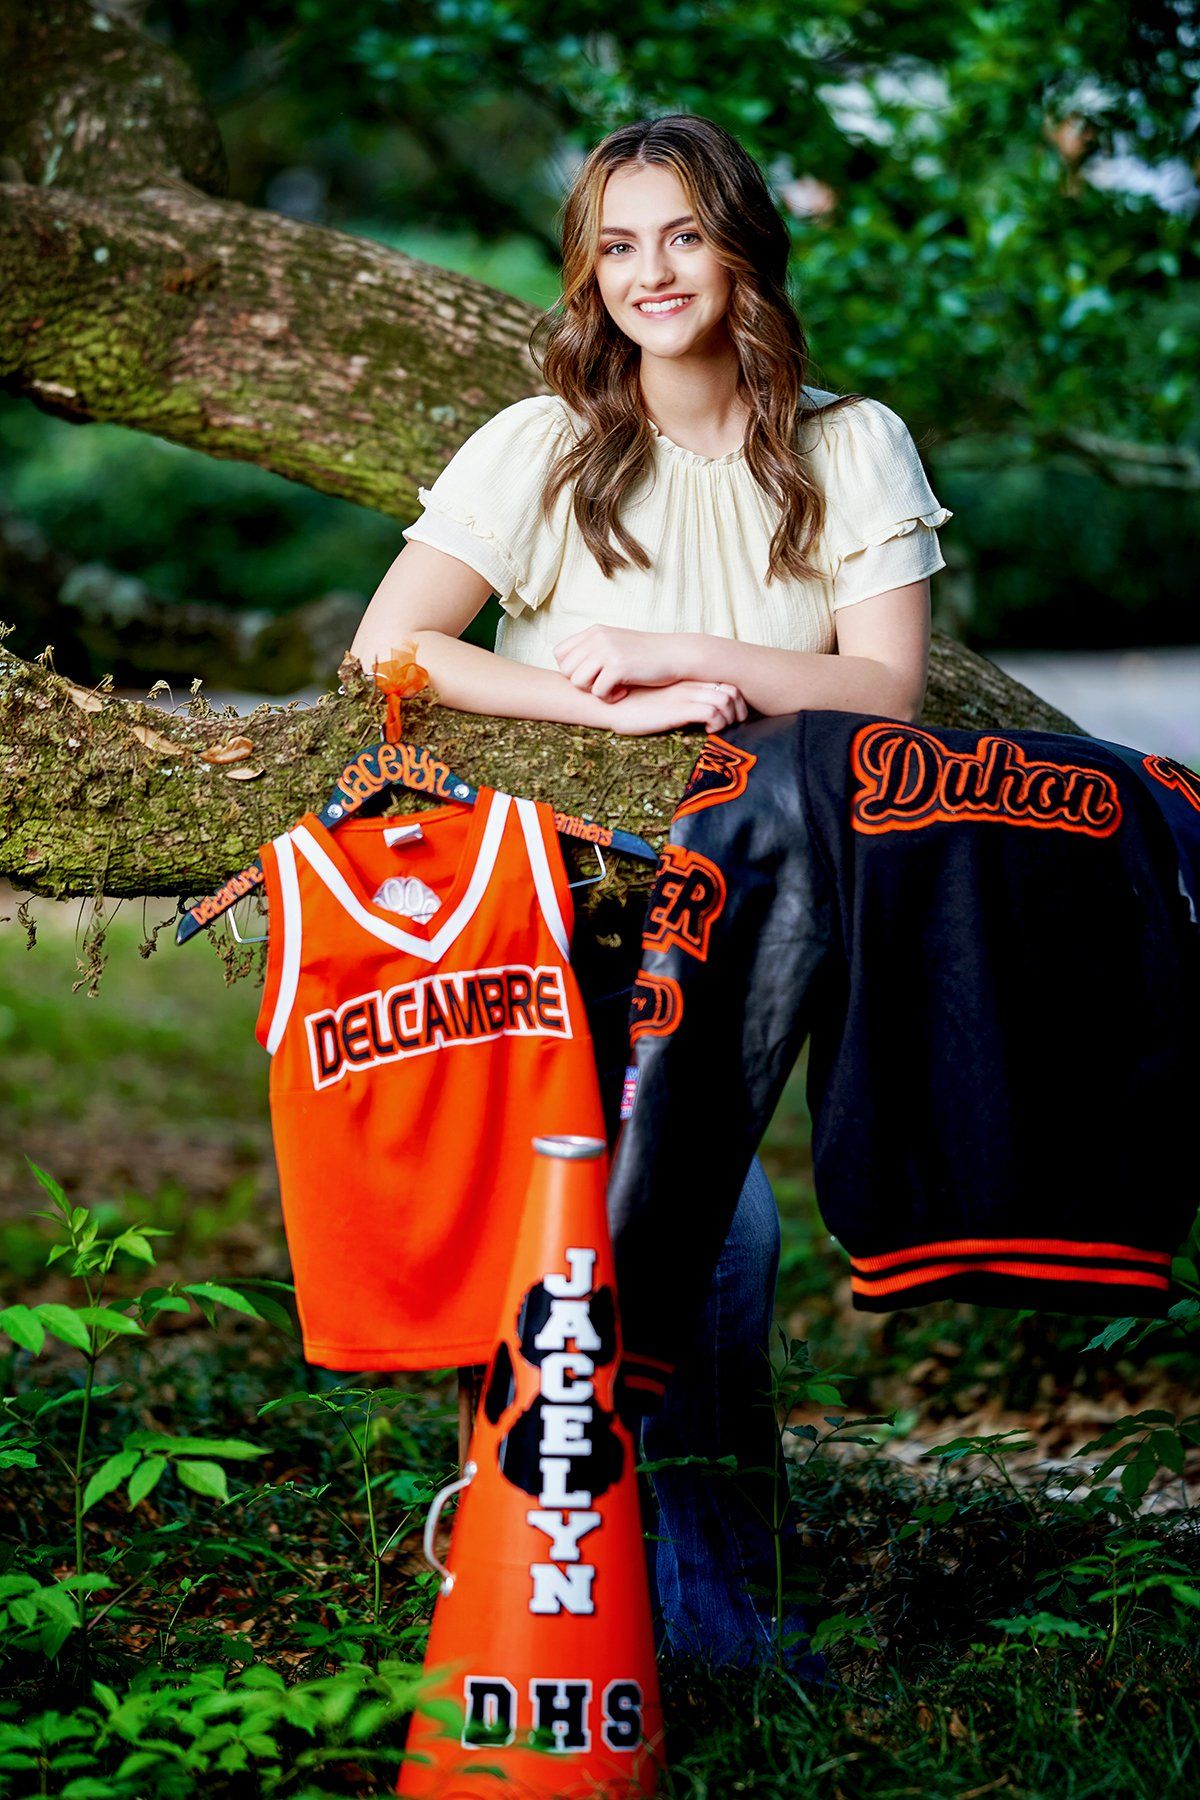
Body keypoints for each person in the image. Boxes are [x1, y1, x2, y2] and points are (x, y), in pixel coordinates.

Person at [349, 112, 952, 1678]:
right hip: (565, 910)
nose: (650, 273)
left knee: (684, 1247)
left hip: (769, 921)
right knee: (709, 1239)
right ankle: (680, 1622)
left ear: (743, 242)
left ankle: (592, 1581)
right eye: (617, 244)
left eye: (682, 234)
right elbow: (394, 650)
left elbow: (882, 694)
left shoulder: (851, 442)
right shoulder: (540, 442)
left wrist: (691, 661)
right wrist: (594, 709)